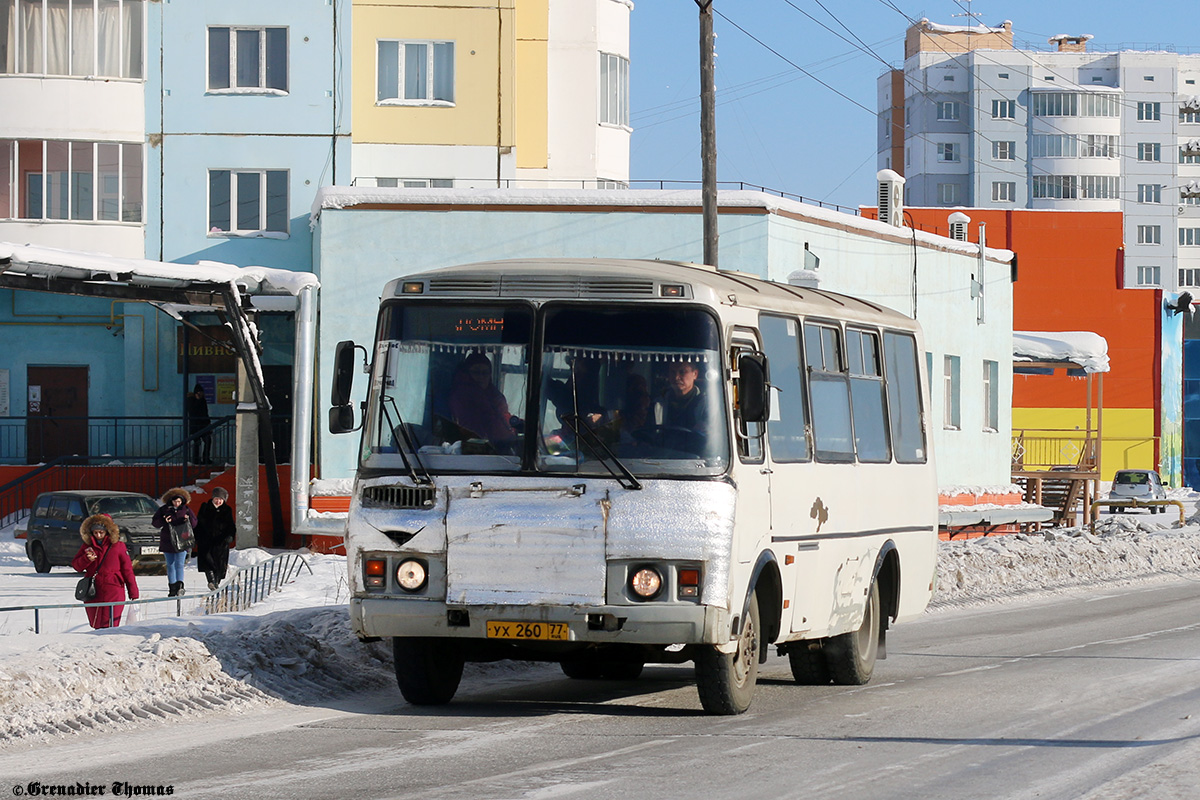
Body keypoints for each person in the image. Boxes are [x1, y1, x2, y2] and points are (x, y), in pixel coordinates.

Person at [71, 513, 139, 629]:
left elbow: (127, 570)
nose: (98, 535)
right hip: (93, 590)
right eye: (95, 532)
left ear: (108, 531)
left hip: (114, 588)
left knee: (111, 623)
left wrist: (133, 592)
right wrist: (86, 559)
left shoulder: (118, 546)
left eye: (101, 532)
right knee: (96, 623)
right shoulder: (87, 546)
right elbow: (77, 566)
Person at [448, 352, 519, 447]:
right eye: (476, 372)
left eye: (485, 373)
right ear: (467, 374)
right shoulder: (461, 397)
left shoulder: (495, 395)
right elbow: (472, 427)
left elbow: (503, 417)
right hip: (472, 448)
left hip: (498, 447)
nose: (481, 377)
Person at [647, 360, 709, 454]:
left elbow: (711, 439)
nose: (676, 377)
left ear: (695, 374)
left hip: (696, 460)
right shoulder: (657, 404)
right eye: (672, 372)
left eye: (682, 372)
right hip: (661, 459)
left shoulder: (706, 405)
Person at [153, 487, 197, 597]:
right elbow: (155, 523)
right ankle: (172, 587)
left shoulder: (186, 510)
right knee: (170, 564)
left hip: (182, 540)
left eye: (179, 501)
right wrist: (164, 520)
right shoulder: (164, 510)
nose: (177, 503)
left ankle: (180, 586)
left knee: (179, 564)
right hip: (168, 540)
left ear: (183, 501)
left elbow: (195, 523)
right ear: (170, 500)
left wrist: (188, 519)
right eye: (175, 501)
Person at [196, 487, 236, 591]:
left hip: (221, 542)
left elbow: (231, 525)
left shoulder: (227, 510)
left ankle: (216, 583)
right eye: (216, 498)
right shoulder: (205, 507)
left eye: (220, 499)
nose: (218, 501)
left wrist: (230, 536)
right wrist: (198, 537)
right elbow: (198, 523)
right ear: (213, 498)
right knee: (207, 562)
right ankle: (211, 581)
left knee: (220, 564)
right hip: (206, 540)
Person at [187, 384, 212, 465]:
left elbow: (205, 413)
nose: (201, 394)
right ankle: (196, 460)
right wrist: (197, 400)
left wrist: (208, 423)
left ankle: (206, 459)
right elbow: (192, 412)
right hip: (196, 426)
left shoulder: (203, 401)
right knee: (197, 443)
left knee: (207, 441)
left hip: (203, 426)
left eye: (201, 392)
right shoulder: (191, 400)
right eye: (199, 392)